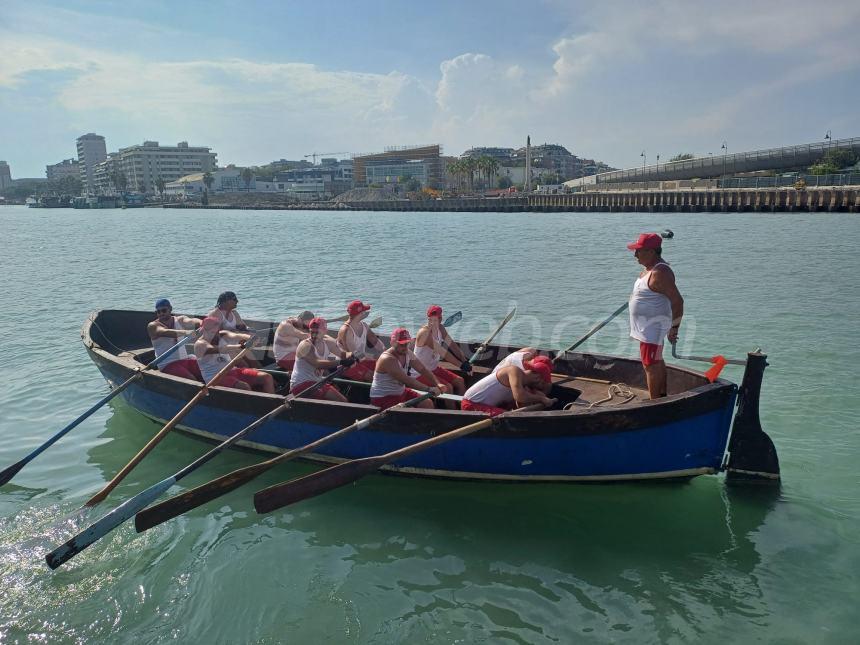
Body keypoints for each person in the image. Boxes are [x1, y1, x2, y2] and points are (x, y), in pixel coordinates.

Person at [627, 232, 684, 399]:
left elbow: (678, 302)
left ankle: (654, 403)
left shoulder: (660, 273)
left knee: (650, 365)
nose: (635, 254)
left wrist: (674, 327)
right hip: (648, 328)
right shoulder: (649, 269)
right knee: (656, 361)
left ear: (651, 252)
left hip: (651, 328)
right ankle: (662, 396)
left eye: (639, 251)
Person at [194, 317, 274, 393]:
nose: (216, 335)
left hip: (232, 371)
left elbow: (236, 336)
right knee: (244, 387)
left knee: (267, 377)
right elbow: (222, 349)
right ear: (204, 330)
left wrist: (251, 338)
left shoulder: (222, 334)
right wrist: (240, 346)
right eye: (212, 332)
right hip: (215, 378)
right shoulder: (200, 344)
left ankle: (271, 404)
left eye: (217, 331)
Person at [369, 328, 441, 410]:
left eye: (407, 343)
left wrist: (437, 384)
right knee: (409, 411)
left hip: (401, 392)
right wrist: (429, 389)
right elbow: (407, 380)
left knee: (428, 403)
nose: (405, 347)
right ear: (392, 343)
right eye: (401, 344)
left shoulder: (407, 352)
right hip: (383, 398)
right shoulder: (387, 359)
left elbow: (422, 369)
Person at [461, 357, 556, 416]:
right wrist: (542, 399)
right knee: (507, 417)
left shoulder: (522, 383)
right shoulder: (514, 371)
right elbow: (520, 396)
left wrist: (541, 398)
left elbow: (521, 403)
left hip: (485, 405)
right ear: (537, 377)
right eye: (542, 383)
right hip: (471, 405)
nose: (541, 386)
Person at [410, 305, 471, 396]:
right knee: (448, 388)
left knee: (460, 381)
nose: (433, 321)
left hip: (433, 368)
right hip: (420, 373)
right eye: (431, 319)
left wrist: (464, 360)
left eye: (437, 318)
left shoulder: (441, 328)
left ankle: (462, 408)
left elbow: (452, 345)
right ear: (428, 318)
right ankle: (452, 410)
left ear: (441, 318)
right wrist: (461, 366)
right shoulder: (424, 333)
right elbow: (443, 352)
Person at [289, 317, 354, 401]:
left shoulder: (328, 343)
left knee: (343, 400)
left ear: (325, 331)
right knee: (343, 401)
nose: (314, 335)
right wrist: (341, 362)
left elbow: (343, 354)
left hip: (316, 383)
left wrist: (352, 355)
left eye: (317, 332)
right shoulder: (305, 345)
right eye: (312, 332)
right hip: (301, 385)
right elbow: (317, 363)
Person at [147, 298, 203, 381]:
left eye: (164, 310)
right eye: (158, 312)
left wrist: (203, 323)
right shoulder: (152, 326)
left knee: (208, 370)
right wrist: (188, 333)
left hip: (185, 359)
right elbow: (166, 332)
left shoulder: (180, 320)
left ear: (170, 309)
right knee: (192, 380)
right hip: (167, 364)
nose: (161, 314)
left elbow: (192, 321)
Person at [336, 300, 384, 382]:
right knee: (373, 377)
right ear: (360, 314)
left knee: (385, 368)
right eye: (364, 311)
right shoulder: (346, 331)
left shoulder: (364, 326)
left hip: (362, 361)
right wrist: (375, 357)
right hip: (348, 365)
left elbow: (375, 341)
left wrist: (385, 352)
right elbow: (355, 354)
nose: (366, 313)